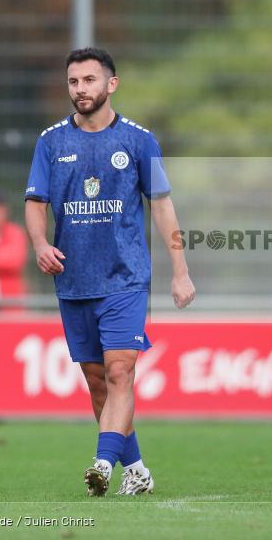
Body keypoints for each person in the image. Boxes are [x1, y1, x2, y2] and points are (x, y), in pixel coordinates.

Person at [25, 47, 195, 497]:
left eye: (89, 81)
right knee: (97, 381)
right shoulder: (51, 142)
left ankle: (102, 462)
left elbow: (161, 206)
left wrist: (180, 270)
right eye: (74, 82)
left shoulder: (139, 141)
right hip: (74, 280)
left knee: (121, 372)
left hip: (125, 278)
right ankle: (135, 468)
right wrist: (41, 244)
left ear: (111, 85)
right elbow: (35, 202)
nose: (81, 89)